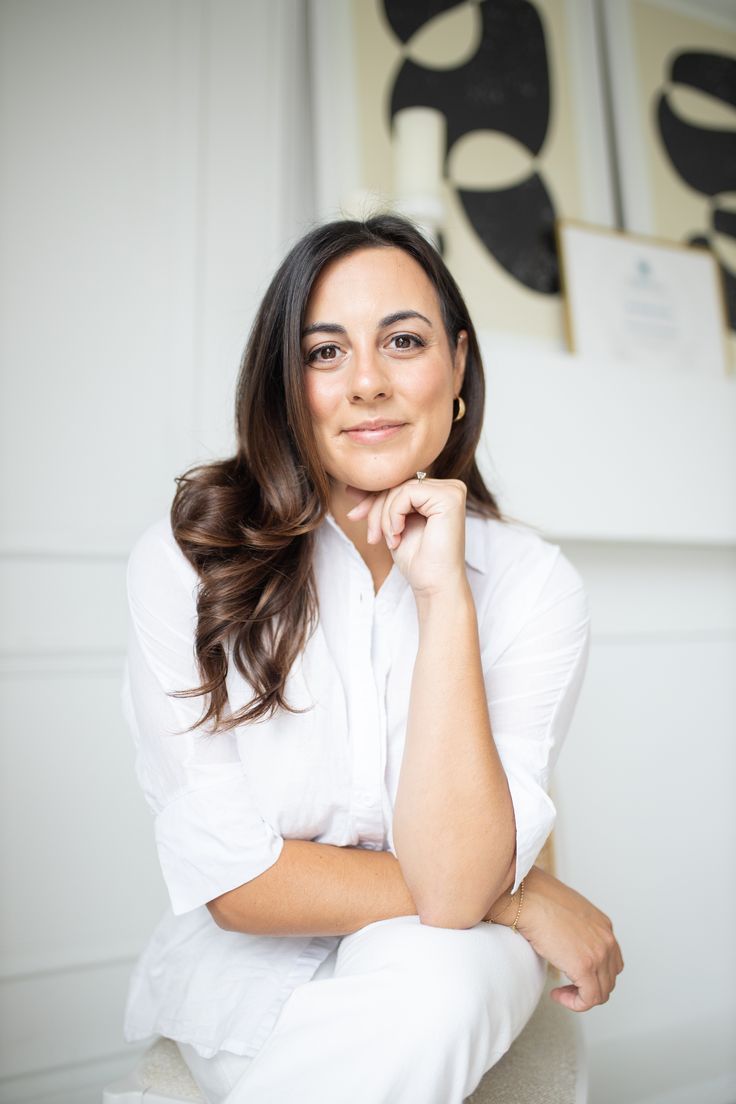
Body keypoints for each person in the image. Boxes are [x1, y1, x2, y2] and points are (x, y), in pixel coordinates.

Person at [121, 213, 624, 1104]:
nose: (366, 384)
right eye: (324, 353)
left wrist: (444, 599)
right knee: (428, 996)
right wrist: (519, 898)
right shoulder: (191, 554)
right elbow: (238, 886)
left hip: (449, 960)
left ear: (458, 366)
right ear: (285, 383)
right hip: (247, 972)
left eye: (402, 340)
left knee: (443, 982)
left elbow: (456, 885)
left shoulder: (535, 585)